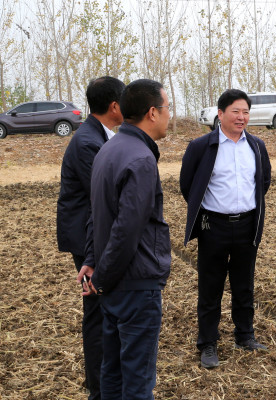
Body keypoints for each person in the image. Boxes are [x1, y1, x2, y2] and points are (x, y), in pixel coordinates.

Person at [77, 79, 172, 399]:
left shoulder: (109, 148)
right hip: (134, 285)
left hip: (113, 284)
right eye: (167, 108)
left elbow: (96, 213)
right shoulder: (141, 159)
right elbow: (126, 231)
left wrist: (92, 261)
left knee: (113, 372)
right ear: (152, 113)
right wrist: (101, 278)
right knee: (137, 381)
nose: (169, 115)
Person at [179, 89, 271, 369]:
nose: (241, 117)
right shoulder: (201, 146)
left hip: (247, 225)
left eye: (245, 112)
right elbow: (188, 185)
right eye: (236, 111)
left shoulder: (256, 146)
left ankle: (245, 335)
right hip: (213, 226)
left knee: (244, 285)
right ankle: (208, 343)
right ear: (220, 114)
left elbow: (264, 182)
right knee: (211, 287)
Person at [57, 76, 125, 400]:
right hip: (89, 240)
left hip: (93, 235)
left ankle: (105, 380)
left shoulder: (99, 136)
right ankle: (98, 388)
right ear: (114, 106)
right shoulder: (89, 143)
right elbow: (103, 196)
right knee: (97, 311)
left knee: (103, 307)